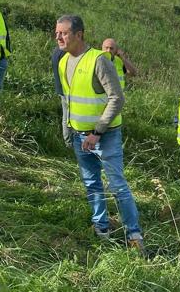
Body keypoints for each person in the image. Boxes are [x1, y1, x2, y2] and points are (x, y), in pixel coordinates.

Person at [55, 14, 144, 251]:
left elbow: (117, 98)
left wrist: (97, 132)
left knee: (117, 185)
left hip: (105, 136)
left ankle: (134, 235)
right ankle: (101, 229)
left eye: (63, 33)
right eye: (57, 33)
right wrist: (68, 129)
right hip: (79, 136)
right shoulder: (63, 61)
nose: (58, 37)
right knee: (91, 183)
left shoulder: (98, 60)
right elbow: (67, 100)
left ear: (79, 34)